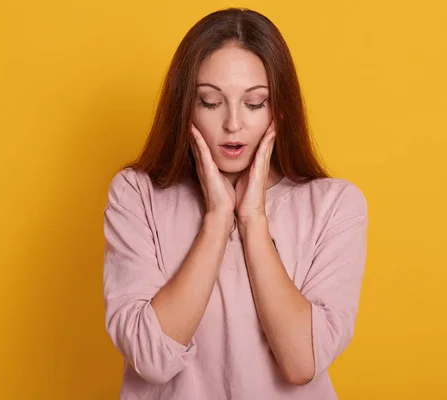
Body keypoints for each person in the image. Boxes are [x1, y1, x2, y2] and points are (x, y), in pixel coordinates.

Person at [102, 7, 368, 400]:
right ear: (184, 106)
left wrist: (253, 219)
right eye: (210, 102)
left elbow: (301, 363)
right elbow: (150, 359)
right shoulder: (136, 195)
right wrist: (216, 219)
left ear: (280, 107)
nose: (233, 124)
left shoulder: (335, 206)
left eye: (255, 102)